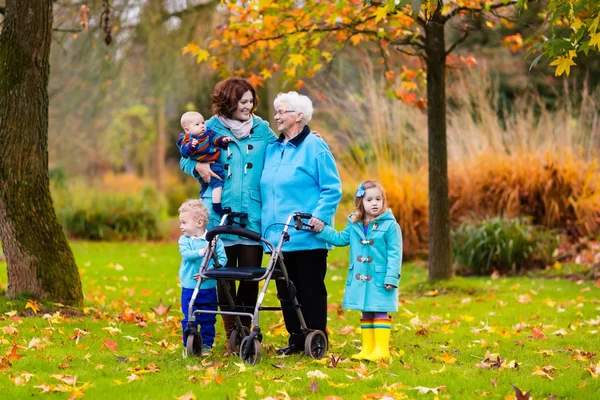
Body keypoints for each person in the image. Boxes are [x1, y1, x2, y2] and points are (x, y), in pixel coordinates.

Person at [179, 77, 277, 351]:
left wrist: (306, 135)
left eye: (250, 101)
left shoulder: (262, 129)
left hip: (251, 212)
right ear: (228, 102)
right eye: (242, 101)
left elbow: (282, 146)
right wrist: (196, 167)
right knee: (220, 273)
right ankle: (232, 330)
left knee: (250, 274)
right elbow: (184, 158)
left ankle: (246, 329)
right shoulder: (208, 127)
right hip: (216, 210)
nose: (248, 106)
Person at [260, 91, 342, 355]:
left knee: (310, 291)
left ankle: (316, 338)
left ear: (299, 116)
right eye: (276, 111)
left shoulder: (315, 147)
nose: (276, 116)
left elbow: (332, 188)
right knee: (286, 292)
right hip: (277, 236)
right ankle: (296, 340)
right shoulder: (273, 148)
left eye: (282, 111)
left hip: (306, 235)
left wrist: (319, 217)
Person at [314, 180, 402, 361]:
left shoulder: (390, 225)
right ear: (361, 202)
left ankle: (382, 351)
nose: (375, 203)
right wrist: (322, 230)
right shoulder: (354, 224)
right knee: (366, 311)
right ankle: (368, 349)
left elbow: (395, 253)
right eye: (370, 200)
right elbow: (339, 238)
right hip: (360, 279)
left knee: (380, 311)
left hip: (380, 278)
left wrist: (391, 277)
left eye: (378, 199)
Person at [178, 199, 227, 355]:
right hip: (189, 287)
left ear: (199, 222)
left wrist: (209, 271)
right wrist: (202, 252)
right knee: (189, 317)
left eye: (184, 223)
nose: (181, 226)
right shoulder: (184, 240)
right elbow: (186, 255)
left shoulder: (215, 241)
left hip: (208, 288)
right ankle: (189, 345)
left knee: (207, 318)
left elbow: (223, 260)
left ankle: (206, 344)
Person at [176, 111, 233, 216]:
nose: (202, 126)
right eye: (197, 124)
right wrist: (191, 146)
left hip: (212, 162)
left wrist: (223, 140)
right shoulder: (187, 139)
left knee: (205, 186)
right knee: (218, 183)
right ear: (187, 130)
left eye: (202, 123)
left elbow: (215, 138)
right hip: (210, 165)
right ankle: (216, 205)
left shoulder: (207, 134)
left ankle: (202, 202)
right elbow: (184, 153)